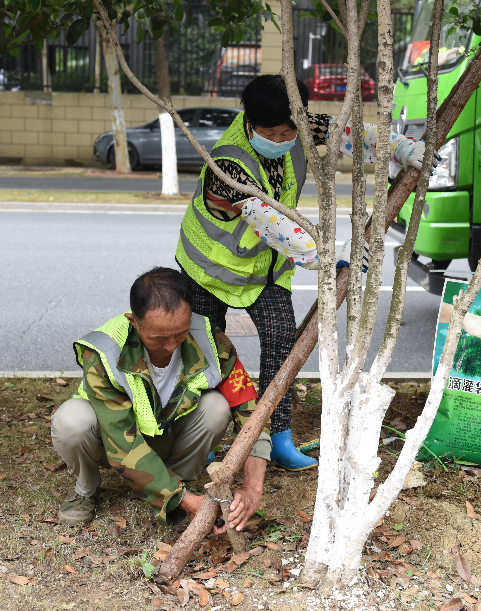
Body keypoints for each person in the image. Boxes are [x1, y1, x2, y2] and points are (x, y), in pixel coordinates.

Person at [176, 74, 438, 470]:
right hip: (206, 268)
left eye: (288, 130)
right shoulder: (227, 163)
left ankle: (277, 436)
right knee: (205, 351)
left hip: (262, 272)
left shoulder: (298, 125)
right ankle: (205, 438)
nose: (282, 139)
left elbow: (346, 132)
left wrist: (399, 148)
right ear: (250, 121)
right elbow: (269, 222)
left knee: (282, 342)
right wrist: (332, 254)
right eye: (271, 132)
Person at [52, 267, 267, 530]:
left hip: (167, 437)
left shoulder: (210, 338)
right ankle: (87, 488)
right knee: (71, 421)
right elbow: (122, 442)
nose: (172, 345)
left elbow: (250, 410)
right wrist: (188, 503)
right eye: (158, 338)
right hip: (108, 444)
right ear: (134, 321)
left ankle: (176, 481)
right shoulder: (104, 351)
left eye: (181, 333)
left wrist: (252, 487)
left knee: (217, 407)